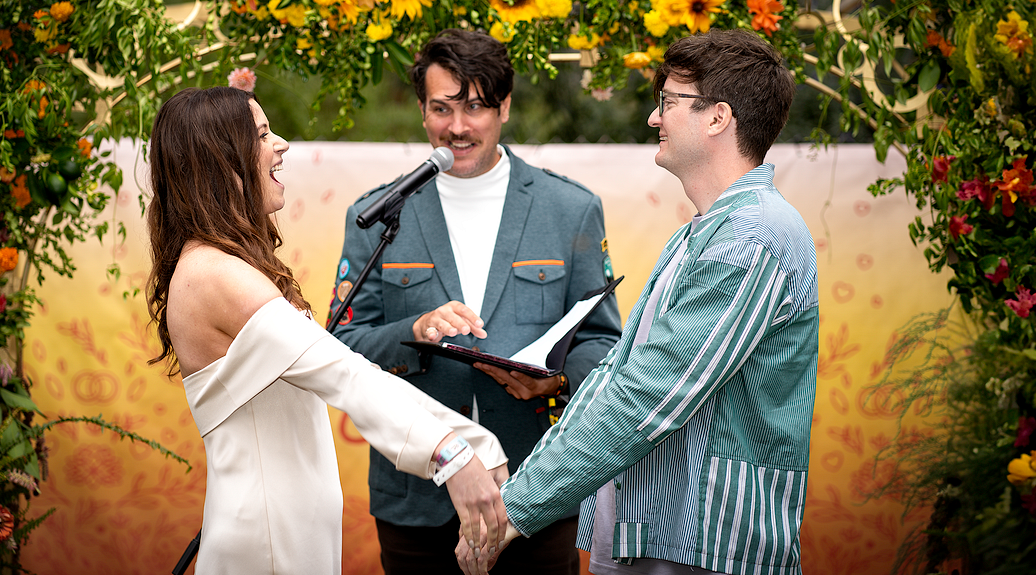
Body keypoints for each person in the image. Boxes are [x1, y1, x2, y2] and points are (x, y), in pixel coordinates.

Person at [462, 29, 818, 575]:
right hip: (660, 535)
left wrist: (514, 508)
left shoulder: (750, 237)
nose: (655, 118)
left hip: (704, 544)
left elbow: (647, 397)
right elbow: (619, 377)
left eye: (669, 101)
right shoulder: (710, 230)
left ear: (718, 118)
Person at [144, 86, 510, 575]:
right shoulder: (214, 274)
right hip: (267, 544)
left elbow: (350, 372)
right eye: (262, 134)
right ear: (221, 160)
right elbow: (346, 375)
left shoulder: (220, 265)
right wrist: (452, 457)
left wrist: (477, 446)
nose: (281, 144)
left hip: (286, 533)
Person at [329, 29, 622, 574]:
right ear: (422, 111)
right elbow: (341, 344)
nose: (458, 127)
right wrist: (413, 330)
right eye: (442, 108)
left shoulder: (570, 208)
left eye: (476, 107)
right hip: (416, 499)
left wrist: (556, 380)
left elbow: (603, 341)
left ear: (504, 107)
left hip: (539, 488)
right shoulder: (377, 215)